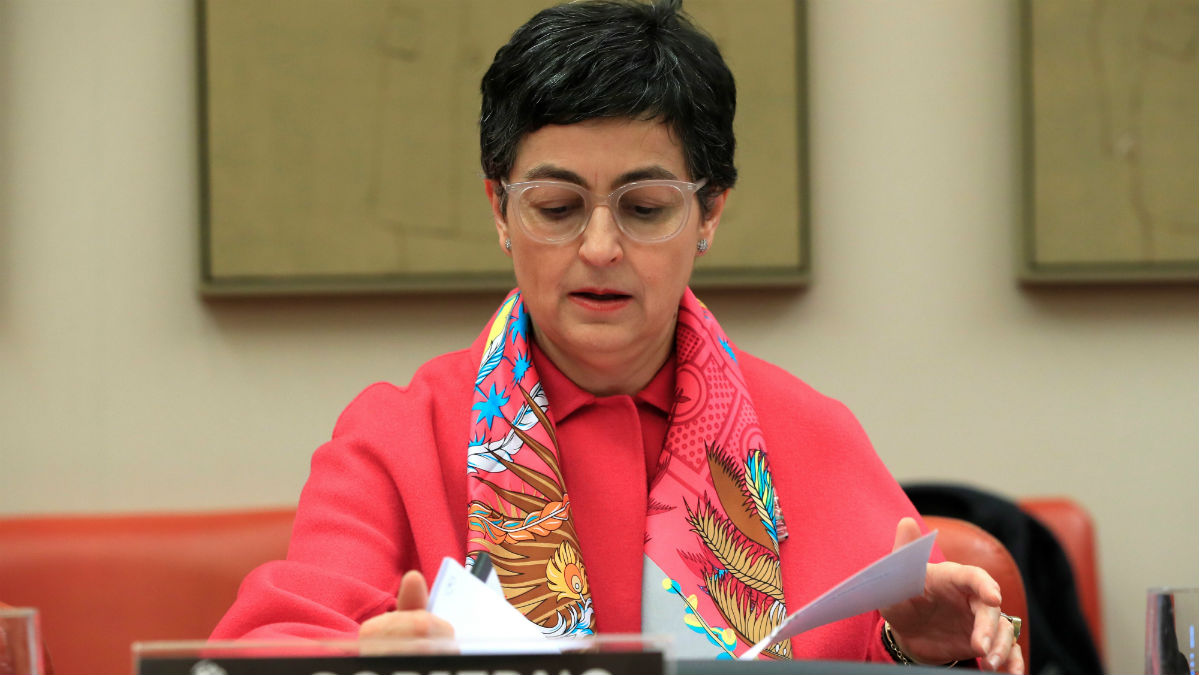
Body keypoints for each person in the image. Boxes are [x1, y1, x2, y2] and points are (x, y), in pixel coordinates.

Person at [212, 1, 1023, 670]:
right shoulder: (398, 437)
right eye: (556, 207)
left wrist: (917, 651)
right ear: (500, 210)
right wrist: (356, 660)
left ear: (709, 212)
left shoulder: (813, 436)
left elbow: (888, 644)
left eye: (644, 208)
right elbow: (260, 650)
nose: (600, 247)